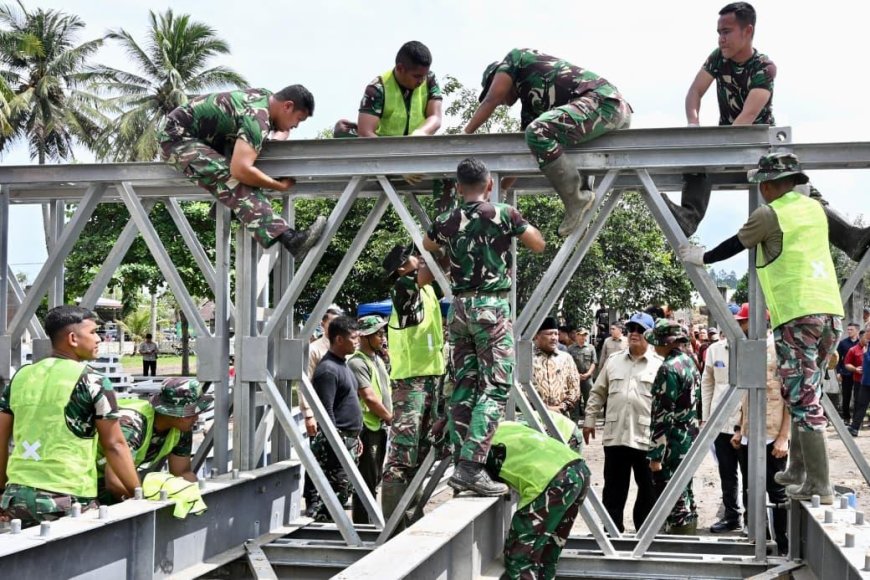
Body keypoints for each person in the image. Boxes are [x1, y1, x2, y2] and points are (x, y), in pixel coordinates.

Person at [680, 152, 844, 504]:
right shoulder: (814, 209)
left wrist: (701, 257)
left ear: (766, 186)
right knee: (803, 391)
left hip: (798, 314)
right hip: (831, 312)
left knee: (803, 398)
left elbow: (736, 244)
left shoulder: (770, 214)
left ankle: (820, 484)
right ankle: (798, 471)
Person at [676, 2, 870, 259]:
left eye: (727, 32)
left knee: (800, 190)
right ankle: (688, 217)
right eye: (719, 32)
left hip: (761, 146)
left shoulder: (764, 68)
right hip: (728, 141)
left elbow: (747, 118)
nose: (721, 38)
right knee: (697, 154)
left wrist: (717, 148)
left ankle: (850, 238)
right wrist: (694, 125)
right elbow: (695, 91)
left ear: (747, 31)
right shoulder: (717, 58)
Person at [424, 157, 545, 496]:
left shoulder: (446, 220)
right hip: (491, 309)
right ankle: (471, 467)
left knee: (465, 384)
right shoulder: (504, 214)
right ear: (489, 185)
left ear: (458, 187)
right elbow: (538, 244)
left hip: (460, 309)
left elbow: (428, 245)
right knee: (495, 386)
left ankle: (462, 462)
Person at [464, 49, 632, 236]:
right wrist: (502, 187)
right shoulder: (531, 105)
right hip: (604, 112)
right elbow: (527, 149)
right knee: (540, 139)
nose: (501, 102)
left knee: (538, 131)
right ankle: (582, 198)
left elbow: (491, 99)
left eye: (493, 87)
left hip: (602, 103)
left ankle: (577, 199)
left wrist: (463, 137)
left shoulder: (515, 59)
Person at [0, 306, 139, 526]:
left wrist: (2, 490)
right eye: (93, 332)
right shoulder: (92, 381)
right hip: (68, 497)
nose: (98, 339)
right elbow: (114, 445)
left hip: (17, 495)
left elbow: (1, 438)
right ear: (73, 338)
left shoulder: (21, 377)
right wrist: (138, 494)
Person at [158, 85, 326, 259]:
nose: (296, 126)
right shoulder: (256, 120)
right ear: (288, 106)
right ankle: (290, 239)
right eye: (298, 119)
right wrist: (278, 186)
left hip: (198, 136)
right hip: (176, 140)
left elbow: (270, 130)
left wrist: (279, 133)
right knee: (234, 181)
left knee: (252, 161)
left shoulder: (263, 98)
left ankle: (229, 204)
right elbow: (240, 170)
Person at [380, 243, 445, 523]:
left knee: (420, 454)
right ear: (401, 267)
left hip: (430, 379)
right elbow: (434, 268)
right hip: (410, 383)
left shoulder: (427, 290)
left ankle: (411, 518)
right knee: (401, 457)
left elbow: (442, 268)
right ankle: (394, 528)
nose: (420, 257)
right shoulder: (403, 287)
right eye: (414, 255)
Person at [583, 312, 661, 533]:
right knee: (613, 489)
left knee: (648, 489)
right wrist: (589, 419)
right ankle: (611, 531)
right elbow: (598, 392)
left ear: (650, 334)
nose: (634, 333)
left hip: (645, 437)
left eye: (640, 330)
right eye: (631, 329)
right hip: (616, 434)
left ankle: (644, 534)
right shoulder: (614, 361)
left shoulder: (658, 364)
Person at [730, 303, 790, 554]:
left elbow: (791, 396)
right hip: (749, 434)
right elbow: (746, 394)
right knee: (750, 489)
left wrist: (784, 437)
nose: (740, 326)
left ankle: (783, 545)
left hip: (772, 435)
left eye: (742, 321)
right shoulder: (747, 349)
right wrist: (739, 428)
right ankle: (758, 540)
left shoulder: (780, 349)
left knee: (777, 493)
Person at [99, 378, 212, 502]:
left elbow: (182, 473)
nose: (196, 418)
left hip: (118, 481)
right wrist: (146, 504)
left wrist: (197, 498)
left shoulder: (181, 427)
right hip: (92, 478)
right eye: (191, 413)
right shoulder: (131, 425)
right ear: (173, 413)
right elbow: (115, 481)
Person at [646, 319, 701, 535]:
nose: (654, 346)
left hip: (673, 442)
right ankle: (688, 536)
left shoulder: (667, 369)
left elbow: (663, 415)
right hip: (689, 437)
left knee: (674, 497)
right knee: (686, 492)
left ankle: (681, 544)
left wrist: (656, 455)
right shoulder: (689, 362)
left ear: (667, 343)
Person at [305, 316, 362, 522]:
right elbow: (326, 412)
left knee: (343, 492)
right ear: (339, 339)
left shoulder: (342, 365)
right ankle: (325, 528)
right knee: (334, 495)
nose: (357, 341)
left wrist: (355, 437)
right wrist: (338, 444)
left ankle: (333, 525)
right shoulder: (328, 370)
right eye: (353, 338)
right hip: (336, 443)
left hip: (348, 439)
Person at [335, 41, 442, 139]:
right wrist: (395, 150)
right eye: (417, 76)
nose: (421, 80)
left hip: (418, 147)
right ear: (400, 68)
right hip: (382, 149)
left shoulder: (430, 79)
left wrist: (419, 134)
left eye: (424, 75)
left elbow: (435, 117)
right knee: (342, 131)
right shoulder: (377, 88)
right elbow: (365, 134)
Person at [347, 315, 392, 524]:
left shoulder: (377, 359)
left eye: (383, 333)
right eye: (378, 334)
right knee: (365, 481)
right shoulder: (357, 363)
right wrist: (389, 417)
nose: (383, 338)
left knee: (374, 479)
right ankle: (362, 525)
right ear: (365, 336)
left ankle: (370, 522)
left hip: (378, 426)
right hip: (367, 428)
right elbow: (369, 398)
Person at [701, 322, 744, 533]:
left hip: (746, 424)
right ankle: (732, 516)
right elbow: (707, 383)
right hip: (720, 422)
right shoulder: (715, 350)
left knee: (752, 474)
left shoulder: (756, 350)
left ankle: (756, 519)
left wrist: (743, 426)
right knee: (727, 473)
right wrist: (706, 418)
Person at [532, 317, 581, 416]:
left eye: (556, 334)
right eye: (549, 334)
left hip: (561, 416)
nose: (554, 337)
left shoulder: (566, 358)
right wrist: (544, 408)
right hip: (533, 416)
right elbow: (520, 389)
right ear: (537, 336)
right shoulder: (527, 359)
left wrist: (562, 407)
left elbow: (574, 388)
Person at [567, 327, 597, 419]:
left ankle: (589, 419)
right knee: (575, 399)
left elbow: (594, 362)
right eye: (580, 335)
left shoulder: (591, 348)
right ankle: (574, 420)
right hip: (574, 378)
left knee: (590, 399)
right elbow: (568, 364)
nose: (583, 337)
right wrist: (576, 375)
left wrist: (588, 374)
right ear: (576, 336)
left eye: (584, 335)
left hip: (587, 378)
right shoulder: (570, 348)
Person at [845, 328, 869, 436]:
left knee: (861, 405)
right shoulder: (853, 349)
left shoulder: (866, 350)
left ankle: (854, 427)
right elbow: (847, 363)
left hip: (866, 381)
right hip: (862, 382)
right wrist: (855, 369)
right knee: (860, 404)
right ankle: (855, 427)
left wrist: (865, 354)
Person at [837, 323, 862, 423]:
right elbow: (838, 359)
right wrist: (838, 372)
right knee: (846, 396)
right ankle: (846, 418)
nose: (849, 331)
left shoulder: (861, 343)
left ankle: (856, 419)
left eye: (851, 329)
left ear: (857, 331)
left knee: (858, 397)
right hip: (846, 374)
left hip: (859, 374)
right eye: (848, 329)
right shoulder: (843, 343)